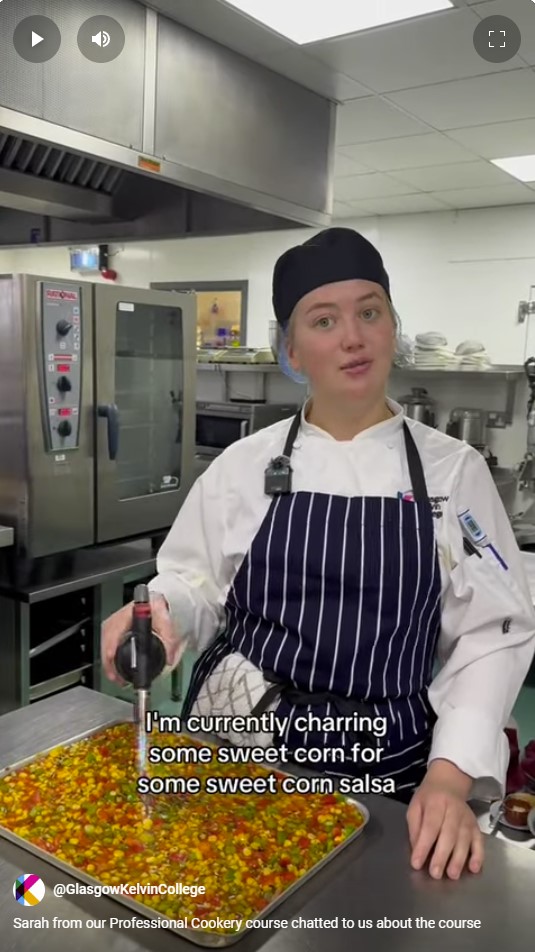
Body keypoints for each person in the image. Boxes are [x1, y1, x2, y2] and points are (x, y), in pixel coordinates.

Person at [102, 227, 535, 882]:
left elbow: (490, 635)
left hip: (382, 765)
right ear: (292, 351)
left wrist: (449, 778)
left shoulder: (452, 473)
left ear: (392, 326)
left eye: (369, 312)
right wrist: (161, 613)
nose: (352, 336)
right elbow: (192, 581)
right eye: (323, 319)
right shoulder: (244, 465)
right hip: (237, 743)